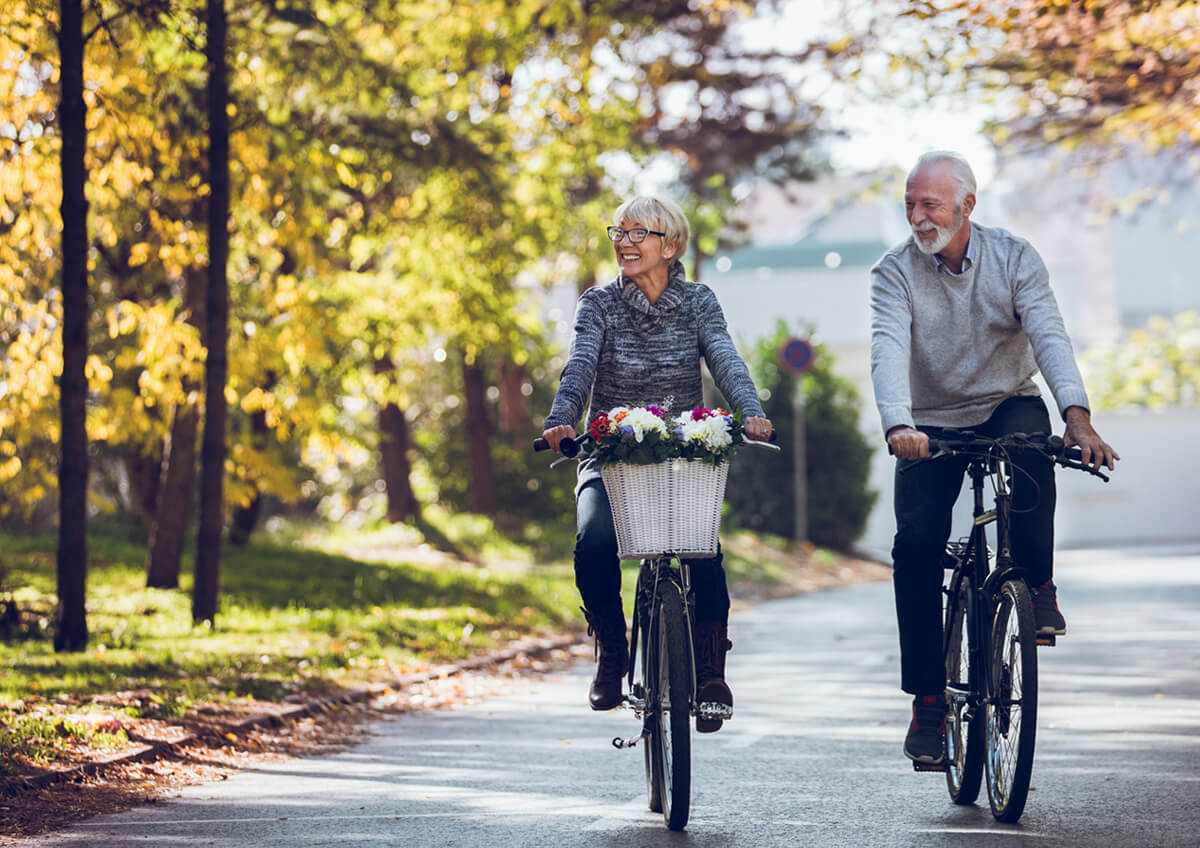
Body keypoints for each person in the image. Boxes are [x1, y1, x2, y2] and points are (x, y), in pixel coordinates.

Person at [869, 151, 1119, 765]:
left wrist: (1077, 415)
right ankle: (928, 701)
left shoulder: (1014, 257)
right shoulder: (893, 272)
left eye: (930, 204)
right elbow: (886, 345)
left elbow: (1049, 333)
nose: (918, 217)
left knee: (1034, 453)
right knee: (917, 546)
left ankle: (1036, 585)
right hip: (927, 421)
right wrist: (899, 422)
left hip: (1007, 399)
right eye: (910, 204)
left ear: (967, 206)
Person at [542, 195, 773, 732]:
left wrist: (751, 412)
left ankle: (711, 670)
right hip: (611, 451)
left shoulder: (697, 302)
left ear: (670, 245)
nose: (623, 241)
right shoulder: (598, 304)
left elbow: (725, 357)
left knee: (701, 549)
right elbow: (579, 365)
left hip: (681, 453)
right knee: (593, 540)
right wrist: (561, 419)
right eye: (617, 232)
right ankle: (612, 650)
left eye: (637, 233)